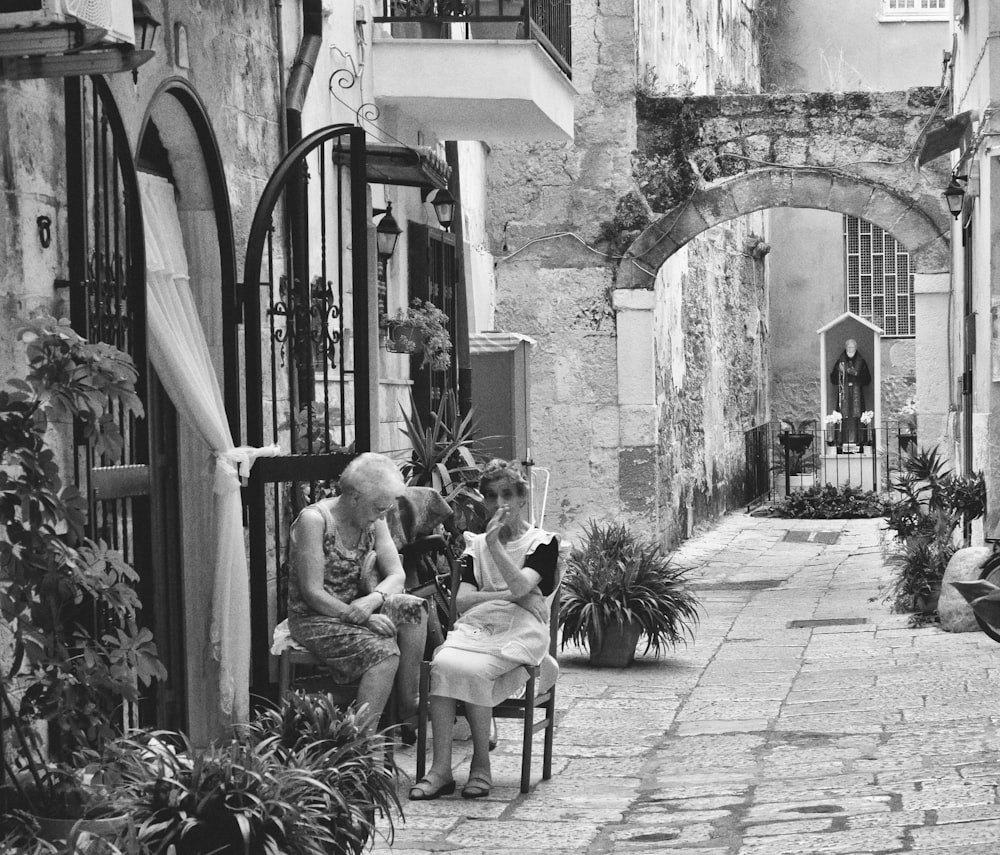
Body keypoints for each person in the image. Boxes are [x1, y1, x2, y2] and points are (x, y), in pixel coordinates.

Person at [409, 459, 559, 801]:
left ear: (522, 497)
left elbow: (526, 586)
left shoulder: (543, 543)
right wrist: (513, 594)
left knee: (474, 670)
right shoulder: (474, 545)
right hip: (477, 624)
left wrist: (495, 547)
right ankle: (441, 769)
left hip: (523, 629)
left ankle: (480, 766)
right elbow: (463, 601)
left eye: (508, 494)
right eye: (491, 496)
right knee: (443, 662)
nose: (499, 503)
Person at [287, 452, 428, 730]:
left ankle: (407, 703)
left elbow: (396, 574)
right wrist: (364, 616)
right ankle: (361, 745)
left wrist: (373, 600)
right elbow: (312, 592)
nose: (383, 514)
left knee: (414, 608)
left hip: (359, 604)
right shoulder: (314, 521)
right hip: (316, 616)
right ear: (354, 497)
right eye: (378, 507)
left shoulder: (375, 519)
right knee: (384, 654)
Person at [830, 338, 871, 450]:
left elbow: (867, 379)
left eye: (852, 347)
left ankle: (861, 441)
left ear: (856, 348)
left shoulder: (861, 361)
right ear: (846, 348)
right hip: (843, 392)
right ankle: (840, 441)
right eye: (849, 347)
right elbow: (833, 379)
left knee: (860, 417)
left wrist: (856, 374)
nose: (850, 349)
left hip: (857, 391)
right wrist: (840, 372)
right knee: (841, 416)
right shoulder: (841, 361)